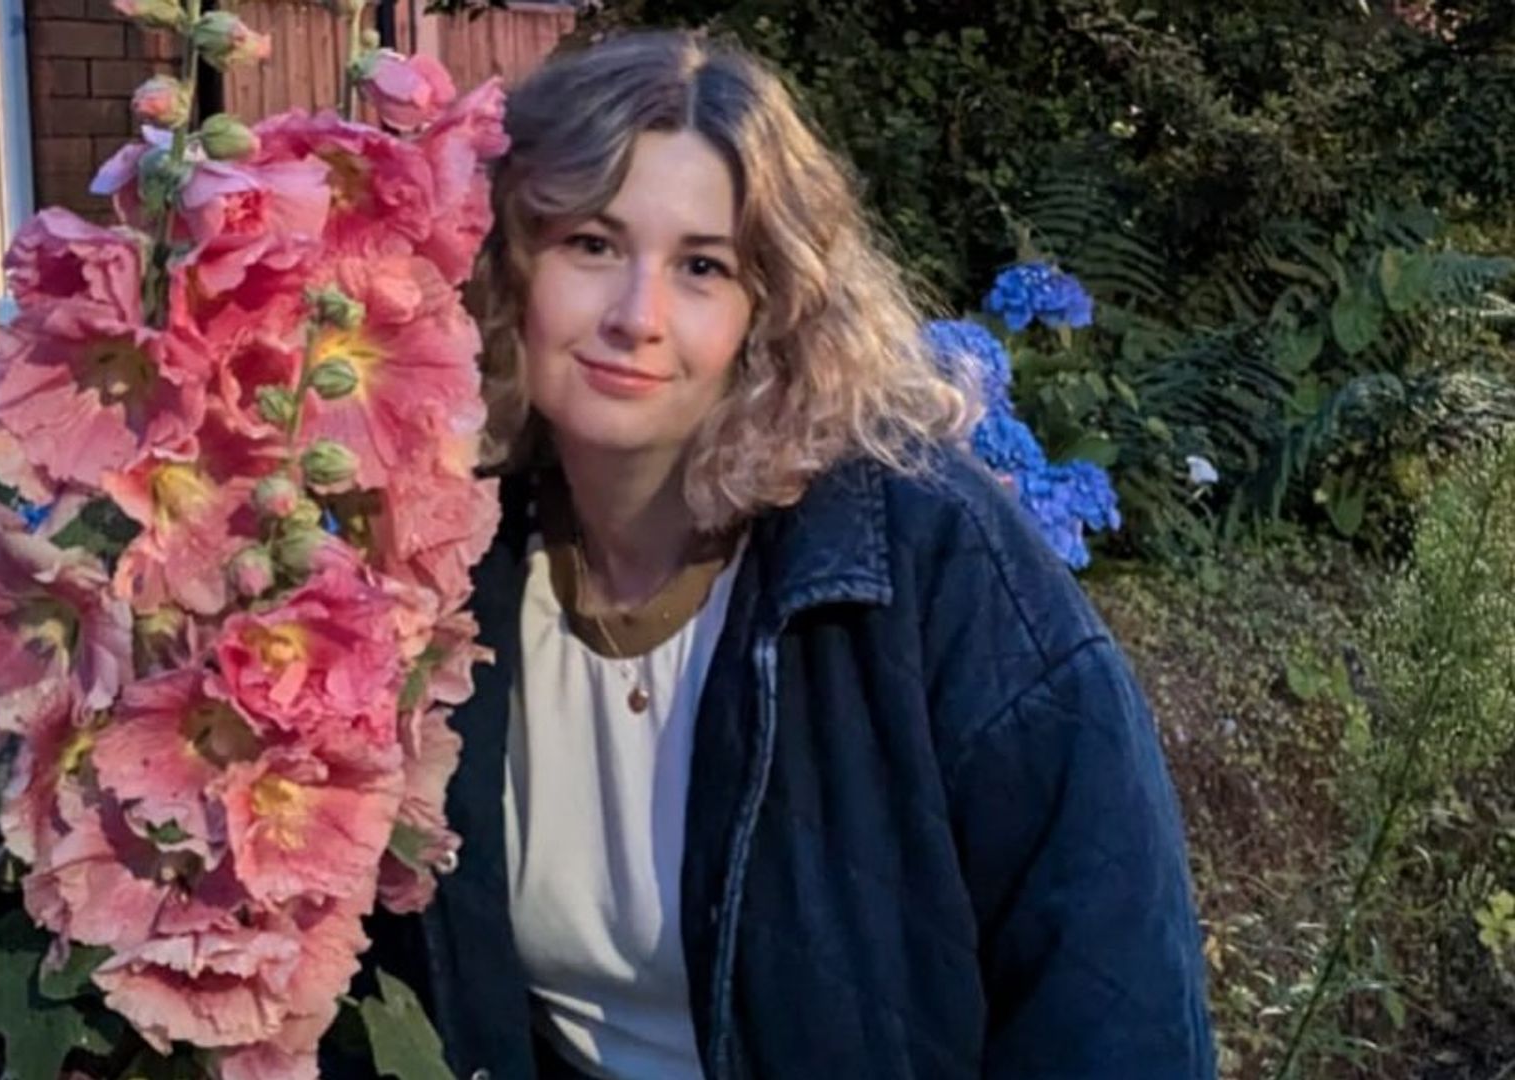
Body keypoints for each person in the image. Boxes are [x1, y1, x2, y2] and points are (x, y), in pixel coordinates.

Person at [357, 29, 1215, 1080]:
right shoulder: (438, 562)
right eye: (591, 244)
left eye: (703, 267)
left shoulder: (929, 567)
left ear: (776, 309)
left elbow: (1111, 1007)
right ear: (507, 264)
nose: (638, 316)